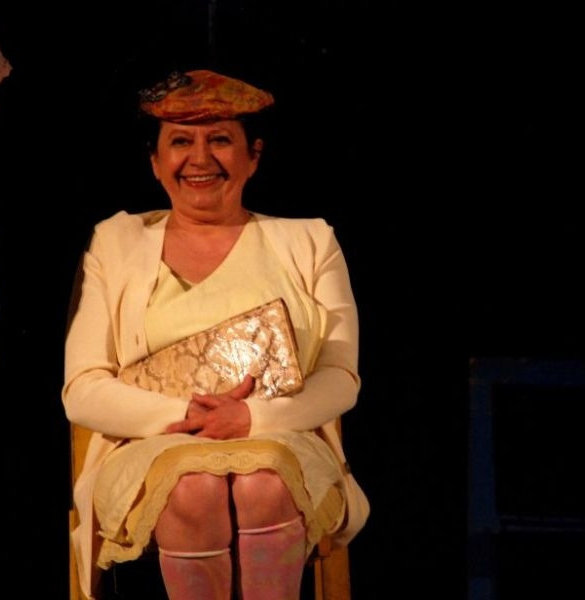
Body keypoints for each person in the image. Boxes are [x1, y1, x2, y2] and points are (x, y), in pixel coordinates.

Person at [63, 69, 368, 600]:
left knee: (265, 483)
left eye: (220, 140)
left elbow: (340, 377)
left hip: (283, 434)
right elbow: (83, 388)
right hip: (151, 443)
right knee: (193, 489)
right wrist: (190, 416)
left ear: (253, 156)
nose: (200, 159)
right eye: (181, 142)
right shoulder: (117, 243)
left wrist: (251, 419)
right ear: (156, 162)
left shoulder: (310, 241)